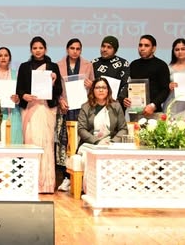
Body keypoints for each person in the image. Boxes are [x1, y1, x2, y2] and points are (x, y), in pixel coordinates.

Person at [16, 36, 63, 193]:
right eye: (35, 48)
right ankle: (30, 183)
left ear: (45, 49)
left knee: (46, 144)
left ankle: (46, 184)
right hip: (30, 109)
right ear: (31, 49)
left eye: (40, 48)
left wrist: (54, 82)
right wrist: (24, 96)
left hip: (46, 109)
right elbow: (19, 89)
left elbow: (58, 91)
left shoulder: (53, 67)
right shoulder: (24, 67)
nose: (38, 51)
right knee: (31, 142)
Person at [56, 38, 94, 192]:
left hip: (83, 109)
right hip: (66, 109)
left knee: (81, 143)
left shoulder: (88, 65)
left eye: (78, 49)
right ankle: (67, 177)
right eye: (72, 48)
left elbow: (95, 87)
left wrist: (91, 85)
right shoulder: (58, 65)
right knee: (66, 144)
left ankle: (81, 178)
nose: (75, 51)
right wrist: (60, 100)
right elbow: (56, 89)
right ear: (67, 49)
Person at [124, 35, 170, 122]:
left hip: (154, 112)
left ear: (153, 48)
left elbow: (165, 90)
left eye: (146, 45)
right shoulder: (133, 65)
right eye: (140, 45)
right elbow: (129, 86)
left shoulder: (161, 65)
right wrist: (126, 99)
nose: (142, 48)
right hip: (136, 112)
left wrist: (153, 105)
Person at [77, 77, 128, 148]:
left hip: (111, 145)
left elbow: (123, 129)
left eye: (104, 87)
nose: (101, 90)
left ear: (108, 90)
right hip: (91, 144)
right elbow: (81, 129)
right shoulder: (85, 107)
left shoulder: (116, 106)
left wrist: (113, 142)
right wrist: (97, 142)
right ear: (93, 90)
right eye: (97, 88)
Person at [91, 36, 130, 110]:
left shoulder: (123, 63)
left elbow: (126, 85)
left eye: (109, 47)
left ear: (115, 50)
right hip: (96, 106)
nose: (105, 49)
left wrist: (119, 101)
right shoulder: (94, 63)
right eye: (103, 46)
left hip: (115, 106)